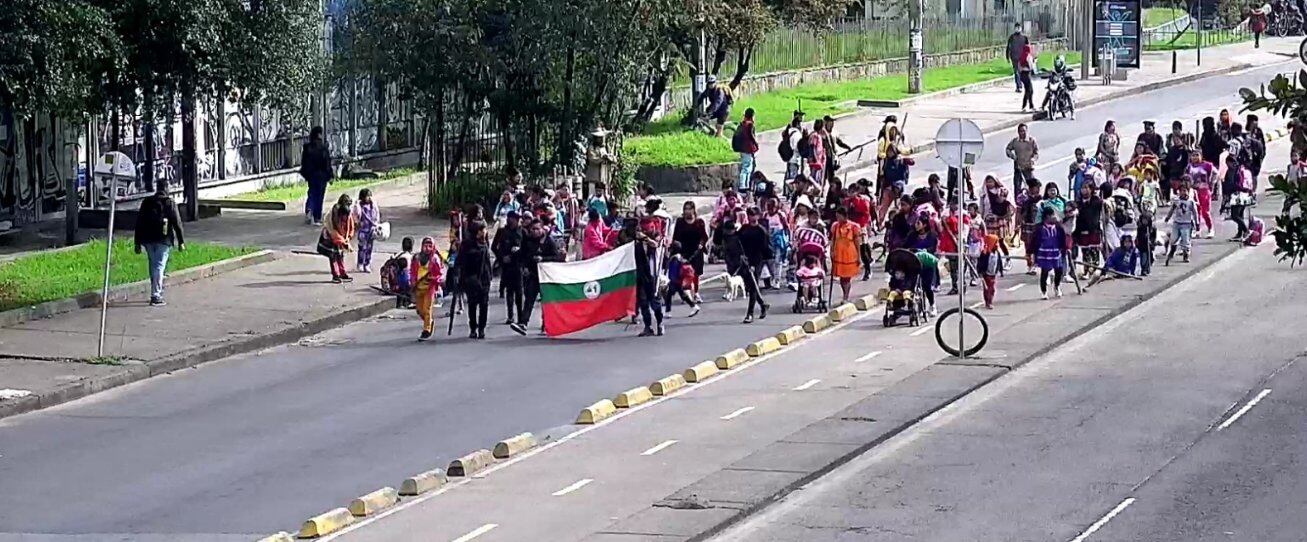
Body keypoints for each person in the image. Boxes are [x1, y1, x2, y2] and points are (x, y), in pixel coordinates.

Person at [133, 182, 186, 306]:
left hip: (148, 239)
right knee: (159, 266)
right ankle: (156, 295)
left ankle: (155, 290)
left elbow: (139, 223)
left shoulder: (147, 202)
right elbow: (177, 223)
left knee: (153, 265)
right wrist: (181, 241)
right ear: (167, 188)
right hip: (163, 239)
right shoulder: (170, 203)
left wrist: (137, 243)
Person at [511, 218, 561, 335]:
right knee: (529, 300)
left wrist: (543, 259)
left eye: (537, 229)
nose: (535, 231)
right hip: (533, 275)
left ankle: (546, 324)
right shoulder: (528, 241)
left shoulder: (549, 241)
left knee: (546, 302)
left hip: (546, 277)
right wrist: (524, 267)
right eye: (532, 229)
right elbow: (523, 256)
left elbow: (557, 258)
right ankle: (523, 323)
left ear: (542, 229)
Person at [719, 218, 771, 323]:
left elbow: (752, 249)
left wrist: (751, 263)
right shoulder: (727, 238)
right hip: (738, 266)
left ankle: (750, 313)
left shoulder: (741, 236)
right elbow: (727, 253)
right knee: (750, 287)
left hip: (750, 263)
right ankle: (762, 304)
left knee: (752, 287)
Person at [630, 218, 665, 336]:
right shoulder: (637, 239)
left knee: (654, 301)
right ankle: (648, 326)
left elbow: (655, 244)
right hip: (641, 273)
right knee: (643, 301)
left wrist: (644, 238)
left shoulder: (657, 235)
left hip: (653, 273)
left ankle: (660, 323)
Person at [458, 222, 493, 339]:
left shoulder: (485, 242)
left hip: (485, 278)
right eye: (481, 230)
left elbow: (487, 261)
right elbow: (462, 261)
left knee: (484, 304)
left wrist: (490, 276)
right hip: (471, 278)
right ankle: (473, 328)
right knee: (472, 304)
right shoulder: (467, 245)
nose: (484, 232)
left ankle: (482, 328)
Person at [492, 210, 525, 324]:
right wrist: (501, 258)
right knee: (509, 292)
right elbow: (494, 247)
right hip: (507, 266)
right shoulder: (502, 232)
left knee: (519, 293)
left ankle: (521, 317)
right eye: (514, 219)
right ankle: (510, 316)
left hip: (518, 265)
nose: (515, 221)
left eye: (517, 219)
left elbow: (526, 247)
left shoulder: (522, 232)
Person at [673, 201, 709, 302]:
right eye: (685, 209)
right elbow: (675, 236)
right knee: (685, 272)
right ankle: (686, 293)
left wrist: (702, 244)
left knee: (696, 273)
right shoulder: (680, 222)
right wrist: (676, 244)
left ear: (694, 210)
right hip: (684, 250)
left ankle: (696, 293)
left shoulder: (699, 222)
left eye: (689, 209)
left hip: (696, 251)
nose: (687, 211)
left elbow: (704, 236)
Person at [410, 236, 445, 341]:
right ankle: (429, 321)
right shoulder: (416, 258)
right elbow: (412, 271)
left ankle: (427, 329)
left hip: (430, 288)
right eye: (425, 245)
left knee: (427, 309)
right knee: (420, 310)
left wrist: (435, 279)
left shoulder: (435, 259)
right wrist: (411, 281)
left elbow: (440, 274)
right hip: (418, 287)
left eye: (430, 246)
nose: (427, 248)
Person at [317, 194, 356, 283]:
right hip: (331, 238)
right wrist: (345, 243)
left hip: (341, 238)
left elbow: (351, 227)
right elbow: (334, 232)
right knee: (333, 256)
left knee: (340, 256)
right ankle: (336, 275)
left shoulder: (348, 213)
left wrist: (348, 237)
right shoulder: (332, 216)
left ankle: (342, 273)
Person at [830, 207, 864, 304]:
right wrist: (831, 251)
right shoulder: (835, 226)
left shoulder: (854, 226)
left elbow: (857, 242)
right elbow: (833, 240)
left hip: (850, 254)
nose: (838, 219)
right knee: (841, 277)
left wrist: (858, 256)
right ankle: (844, 294)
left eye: (839, 217)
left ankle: (846, 297)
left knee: (847, 277)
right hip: (839, 254)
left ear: (844, 216)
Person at [1032, 208, 1068, 299]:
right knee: (1044, 272)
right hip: (1044, 254)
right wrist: (1031, 253)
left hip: (1056, 252)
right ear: (1047, 217)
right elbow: (1034, 242)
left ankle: (1057, 286)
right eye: (1053, 215)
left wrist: (1065, 249)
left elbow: (1063, 240)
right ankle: (1044, 291)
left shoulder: (1058, 228)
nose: (1054, 217)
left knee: (1059, 271)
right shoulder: (1040, 228)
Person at [299, 126, 333, 226]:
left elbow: (304, 162)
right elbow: (327, 163)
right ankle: (317, 217)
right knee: (319, 196)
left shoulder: (307, 147)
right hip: (322, 175)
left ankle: (309, 209)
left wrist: (305, 174)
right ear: (320, 134)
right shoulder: (323, 147)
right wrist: (330, 175)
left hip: (311, 175)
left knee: (312, 193)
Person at [940, 199, 971, 295]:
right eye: (954, 204)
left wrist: (961, 239)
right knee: (953, 266)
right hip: (950, 242)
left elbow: (965, 229)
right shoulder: (946, 214)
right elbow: (945, 227)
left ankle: (962, 284)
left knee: (960, 265)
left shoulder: (963, 214)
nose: (955, 206)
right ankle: (955, 286)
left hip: (960, 241)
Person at [1074, 182, 1104, 278]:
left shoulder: (1097, 201)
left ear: (1091, 189)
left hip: (1094, 229)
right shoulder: (1078, 203)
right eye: (1082, 188)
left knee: (1094, 251)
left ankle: (1094, 270)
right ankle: (1086, 270)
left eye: (1086, 188)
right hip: (1082, 229)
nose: (1084, 190)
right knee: (1085, 251)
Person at [1186, 150, 1218, 238]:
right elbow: (1187, 177)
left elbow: (1215, 174)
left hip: (1204, 190)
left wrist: (1211, 184)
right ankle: (1197, 229)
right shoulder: (1189, 166)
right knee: (1195, 211)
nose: (1195, 157)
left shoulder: (1207, 165)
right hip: (1193, 191)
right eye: (1193, 155)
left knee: (1205, 211)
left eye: (1197, 155)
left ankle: (1210, 228)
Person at [1165, 185, 1198, 265]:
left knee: (1185, 240)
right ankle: (1172, 251)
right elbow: (1172, 209)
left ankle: (1185, 254)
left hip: (1186, 223)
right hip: (1177, 223)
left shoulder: (1191, 202)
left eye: (1185, 191)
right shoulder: (1176, 200)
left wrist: (1197, 222)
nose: (1183, 192)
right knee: (1173, 239)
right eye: (1181, 191)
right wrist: (1168, 217)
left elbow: (1195, 212)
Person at [1225, 155, 1255, 242]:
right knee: (1240, 214)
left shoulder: (1234, 171)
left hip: (1238, 194)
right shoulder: (1240, 169)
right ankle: (1239, 234)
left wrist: (1228, 192)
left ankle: (1246, 231)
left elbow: (1232, 184)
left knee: (1235, 215)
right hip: (1244, 194)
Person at [1016, 177, 1043, 273]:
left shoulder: (1041, 199)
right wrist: (1018, 223)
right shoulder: (1023, 198)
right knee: (1027, 246)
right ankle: (1029, 264)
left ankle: (1036, 264)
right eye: (1037, 187)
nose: (1038, 189)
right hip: (1026, 224)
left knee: (1037, 245)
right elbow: (1018, 211)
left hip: (1037, 224)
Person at [352, 188, 381, 273]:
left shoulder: (373, 205)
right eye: (367, 196)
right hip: (363, 230)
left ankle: (367, 264)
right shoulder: (359, 206)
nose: (369, 198)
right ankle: (360, 263)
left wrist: (376, 223)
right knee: (362, 247)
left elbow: (377, 214)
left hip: (371, 229)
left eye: (369, 196)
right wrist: (357, 223)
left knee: (369, 247)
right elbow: (354, 215)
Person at [1163, 120, 1193, 203]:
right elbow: (1168, 159)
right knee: (1166, 181)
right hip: (1173, 170)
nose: (1176, 141)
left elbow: (1187, 162)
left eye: (1178, 139)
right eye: (1174, 129)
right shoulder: (1171, 148)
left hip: (1182, 170)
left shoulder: (1185, 148)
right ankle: (1167, 199)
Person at [1006, 123, 1040, 194]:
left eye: (1024, 131)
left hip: (1028, 168)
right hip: (1018, 168)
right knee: (1017, 187)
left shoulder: (1031, 141)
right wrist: (1012, 156)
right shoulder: (1015, 141)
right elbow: (1008, 149)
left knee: (1032, 186)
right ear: (1018, 132)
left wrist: (1033, 159)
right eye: (1021, 131)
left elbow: (1036, 152)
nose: (1023, 133)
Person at [733, 107, 760, 193]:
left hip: (742, 148)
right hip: (748, 149)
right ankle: (743, 185)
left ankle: (745, 184)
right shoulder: (750, 125)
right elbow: (751, 136)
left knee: (746, 166)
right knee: (747, 167)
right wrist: (756, 143)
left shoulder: (742, 124)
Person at [779, 111, 805, 184]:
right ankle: (790, 193)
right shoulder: (797, 134)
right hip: (794, 159)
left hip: (789, 158)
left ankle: (786, 192)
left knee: (789, 175)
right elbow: (796, 147)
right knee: (792, 179)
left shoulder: (789, 131)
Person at [978, 234, 1002, 309]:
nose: (997, 245)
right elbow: (980, 263)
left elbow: (999, 262)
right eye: (995, 242)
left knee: (992, 289)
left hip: (993, 274)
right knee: (987, 289)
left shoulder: (997, 253)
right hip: (986, 274)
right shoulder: (985, 253)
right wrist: (980, 272)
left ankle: (990, 301)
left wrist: (1000, 271)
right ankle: (988, 302)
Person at [1245, 114, 1268, 189]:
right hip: (1247, 157)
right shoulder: (1245, 131)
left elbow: (1263, 144)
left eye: (1256, 121)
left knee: (1255, 175)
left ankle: (1254, 191)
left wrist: (1262, 155)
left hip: (1257, 158)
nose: (1256, 122)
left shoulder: (1258, 131)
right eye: (1254, 121)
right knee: (1248, 175)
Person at [1006, 23, 1029, 93]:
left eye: (1019, 27)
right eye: (1017, 27)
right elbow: (1008, 47)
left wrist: (1029, 56)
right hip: (1015, 57)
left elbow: (1028, 48)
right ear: (1015, 28)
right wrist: (1007, 56)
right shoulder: (1012, 37)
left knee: (1021, 72)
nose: (1018, 29)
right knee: (1017, 72)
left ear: (1021, 28)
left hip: (1022, 57)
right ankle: (1019, 86)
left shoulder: (1024, 38)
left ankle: (1023, 85)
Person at [807, 119, 827, 190]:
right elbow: (813, 147)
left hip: (817, 160)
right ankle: (814, 191)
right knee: (814, 177)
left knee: (817, 177)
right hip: (815, 161)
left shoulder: (818, 135)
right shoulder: (815, 135)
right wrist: (816, 159)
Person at [1017, 42, 1036, 112]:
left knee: (1028, 90)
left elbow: (1019, 66)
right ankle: (1027, 106)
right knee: (1030, 91)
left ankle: (1029, 106)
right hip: (1027, 74)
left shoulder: (1021, 56)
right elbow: (1031, 67)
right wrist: (1034, 62)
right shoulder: (1029, 56)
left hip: (1022, 75)